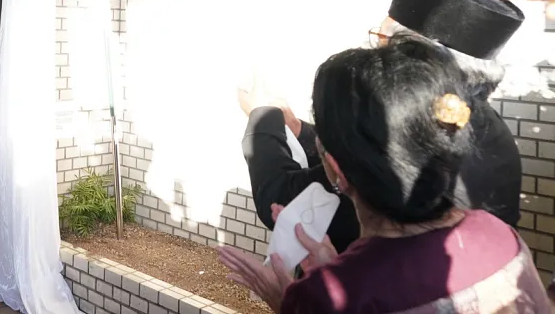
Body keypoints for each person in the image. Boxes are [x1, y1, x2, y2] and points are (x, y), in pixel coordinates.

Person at [220, 35, 549, 312]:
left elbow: (278, 192)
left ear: (336, 172)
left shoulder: (337, 295)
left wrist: (289, 302)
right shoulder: (497, 233)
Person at [240, 0, 524, 253]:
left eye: (385, 42)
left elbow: (280, 200)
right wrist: (300, 131)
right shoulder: (477, 122)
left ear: (422, 61)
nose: (375, 52)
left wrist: (262, 117)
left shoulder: (411, 138)